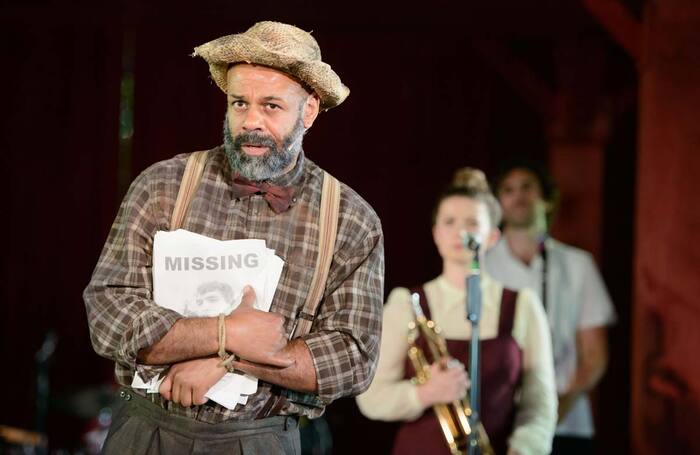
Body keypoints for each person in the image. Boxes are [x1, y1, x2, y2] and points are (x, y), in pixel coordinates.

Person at [83, 21, 384, 454]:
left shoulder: (350, 220)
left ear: (310, 111)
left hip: (258, 439)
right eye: (239, 103)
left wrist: (229, 359)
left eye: (272, 106)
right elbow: (108, 314)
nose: (251, 122)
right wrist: (226, 332)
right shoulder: (162, 185)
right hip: (145, 431)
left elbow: (353, 359)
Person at [356, 168, 556, 455]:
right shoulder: (406, 303)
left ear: (493, 237)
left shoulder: (523, 304)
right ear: (436, 234)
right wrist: (425, 393)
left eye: (473, 223)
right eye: (449, 222)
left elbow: (540, 403)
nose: (460, 232)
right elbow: (371, 398)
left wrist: (525, 449)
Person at [485, 160, 616, 454]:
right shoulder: (481, 265)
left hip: (566, 423)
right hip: (498, 421)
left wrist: (555, 410)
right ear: (498, 203)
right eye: (508, 189)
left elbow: (594, 355)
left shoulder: (578, 265)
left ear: (545, 198)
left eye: (527, 187)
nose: (518, 195)